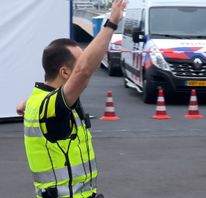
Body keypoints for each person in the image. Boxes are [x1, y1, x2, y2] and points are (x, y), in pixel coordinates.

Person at [19, 0, 126, 197]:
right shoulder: (51, 106)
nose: (88, 68)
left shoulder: (39, 100)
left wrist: (23, 105)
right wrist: (112, 22)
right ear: (65, 72)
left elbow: (25, 107)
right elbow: (83, 72)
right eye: (78, 65)